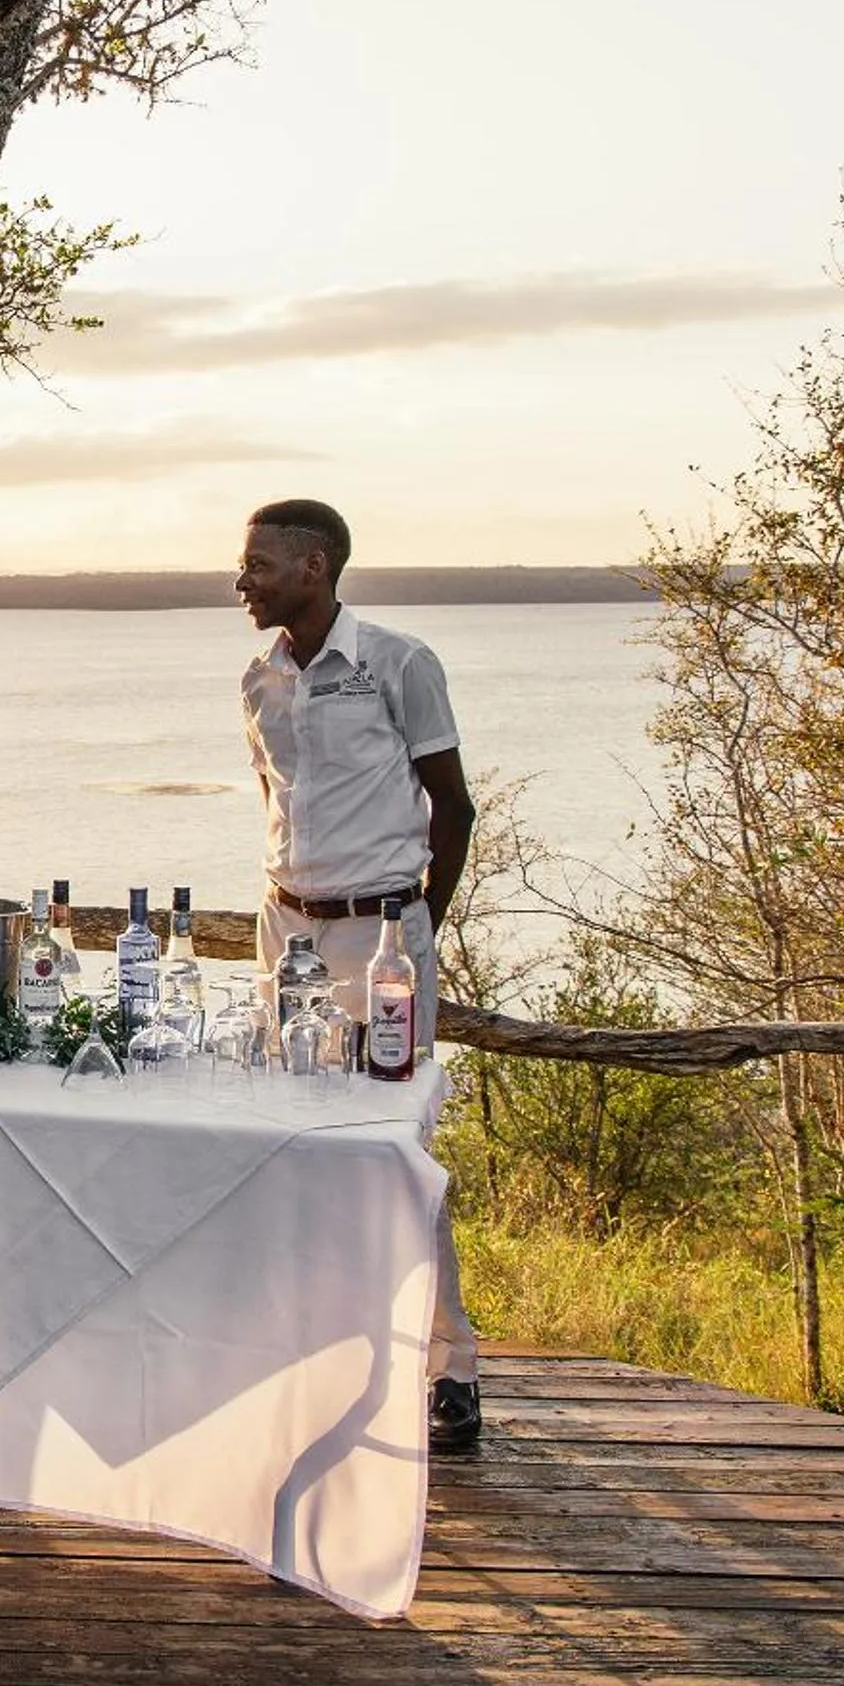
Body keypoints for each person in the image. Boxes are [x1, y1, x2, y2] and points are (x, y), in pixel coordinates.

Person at [234, 497, 485, 1455]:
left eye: (257, 564)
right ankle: (313, 1351)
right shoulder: (259, 678)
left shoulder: (397, 663)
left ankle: (449, 1369)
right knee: (285, 1135)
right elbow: (276, 803)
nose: (242, 582)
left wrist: (416, 926)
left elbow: (451, 807)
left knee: (391, 1148)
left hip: (380, 936)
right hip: (282, 934)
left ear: (314, 564)